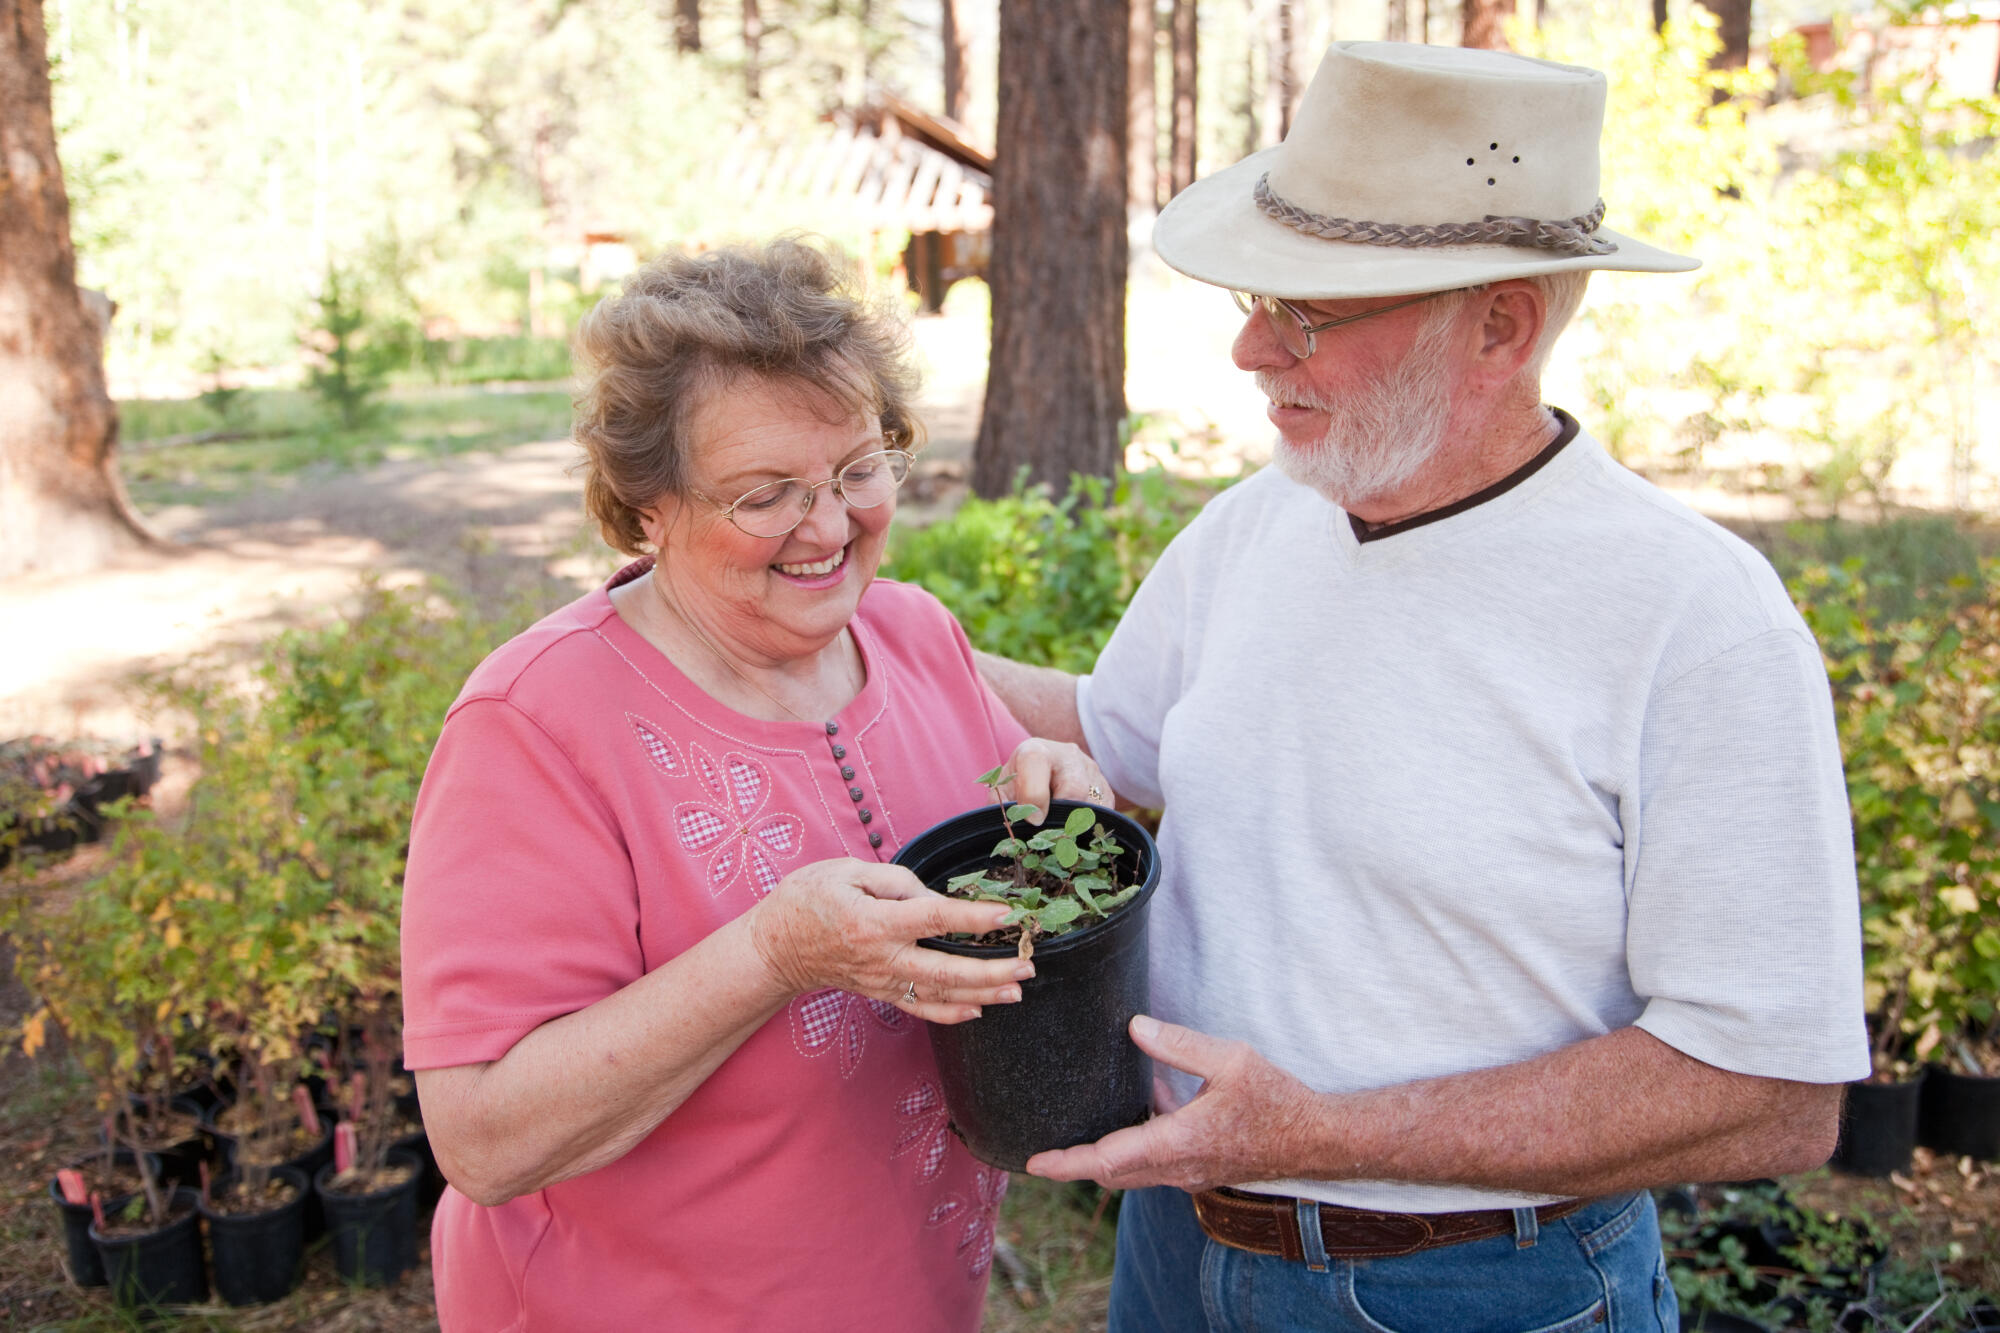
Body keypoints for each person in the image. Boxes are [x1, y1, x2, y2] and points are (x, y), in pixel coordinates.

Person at [984, 42, 1868, 1333]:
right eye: (1253, 295)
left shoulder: (1692, 617)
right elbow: (1121, 743)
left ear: (1499, 325)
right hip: (1180, 1242)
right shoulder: (1260, 523)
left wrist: (1329, 1132)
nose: (1246, 347)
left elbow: (1767, 1087)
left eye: (1307, 313)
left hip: (1468, 1286)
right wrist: (855, 633)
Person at [399, 238, 1107, 1332]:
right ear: (647, 508)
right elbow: (484, 1138)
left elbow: (1000, 878)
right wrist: (772, 955)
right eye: (765, 494)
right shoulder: (537, 723)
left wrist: (1062, 805)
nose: (828, 527)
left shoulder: (910, 633)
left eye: (857, 470)